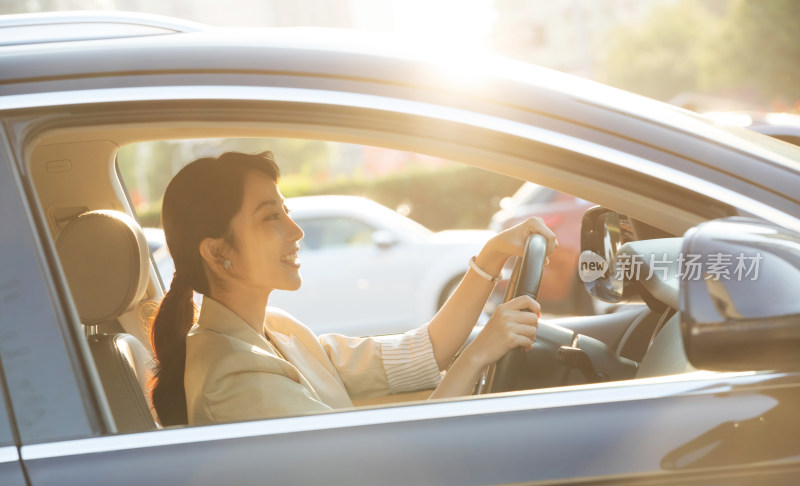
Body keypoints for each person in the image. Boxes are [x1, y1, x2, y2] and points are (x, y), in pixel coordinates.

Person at [149, 151, 556, 427]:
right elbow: (380, 480)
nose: (296, 230)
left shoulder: (277, 330)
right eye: (271, 217)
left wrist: (491, 257)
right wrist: (478, 356)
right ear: (218, 251)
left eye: (286, 211)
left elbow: (419, 352)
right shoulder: (234, 377)